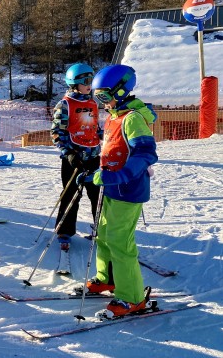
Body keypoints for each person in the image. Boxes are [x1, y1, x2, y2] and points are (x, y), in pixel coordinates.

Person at [77, 64, 158, 317]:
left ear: (121, 92)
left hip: (129, 190)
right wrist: (95, 169)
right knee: (102, 234)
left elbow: (146, 153)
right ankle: (107, 278)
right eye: (97, 96)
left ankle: (132, 297)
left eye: (104, 96)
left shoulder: (133, 118)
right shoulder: (115, 116)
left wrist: (120, 174)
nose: (101, 102)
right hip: (111, 188)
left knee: (120, 243)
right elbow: (112, 148)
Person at [50, 63, 102, 251]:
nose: (90, 85)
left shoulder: (93, 103)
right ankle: (64, 230)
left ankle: (102, 229)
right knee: (71, 194)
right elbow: (56, 132)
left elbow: (95, 127)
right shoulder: (65, 104)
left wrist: (106, 136)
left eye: (92, 81)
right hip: (74, 158)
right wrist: (68, 153)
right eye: (86, 81)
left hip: (93, 156)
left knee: (98, 194)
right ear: (74, 83)